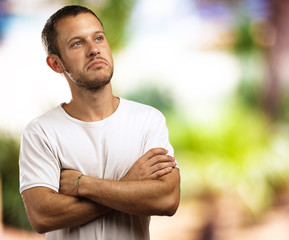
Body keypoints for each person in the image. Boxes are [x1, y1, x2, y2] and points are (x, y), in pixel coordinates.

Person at [19, 5, 180, 240]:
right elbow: (43, 216)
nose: (94, 49)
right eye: (77, 43)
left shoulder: (147, 120)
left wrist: (84, 185)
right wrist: (129, 184)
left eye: (98, 38)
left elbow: (167, 200)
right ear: (56, 64)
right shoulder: (41, 132)